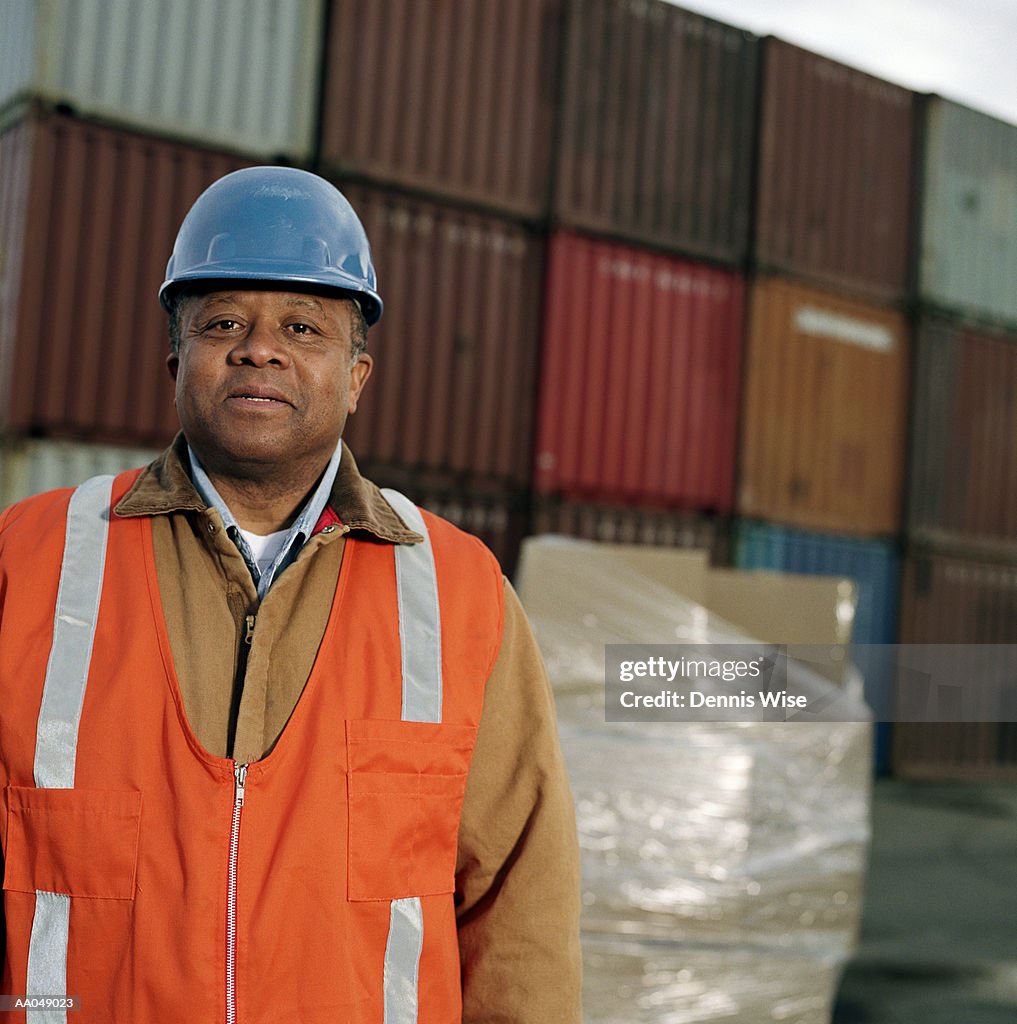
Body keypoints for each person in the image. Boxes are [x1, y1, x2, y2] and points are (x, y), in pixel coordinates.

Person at [0, 167, 582, 1023]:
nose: (258, 348)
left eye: (302, 326)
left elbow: (519, 904)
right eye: (224, 321)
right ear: (177, 360)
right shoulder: (27, 558)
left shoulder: (460, 593)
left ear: (356, 377)